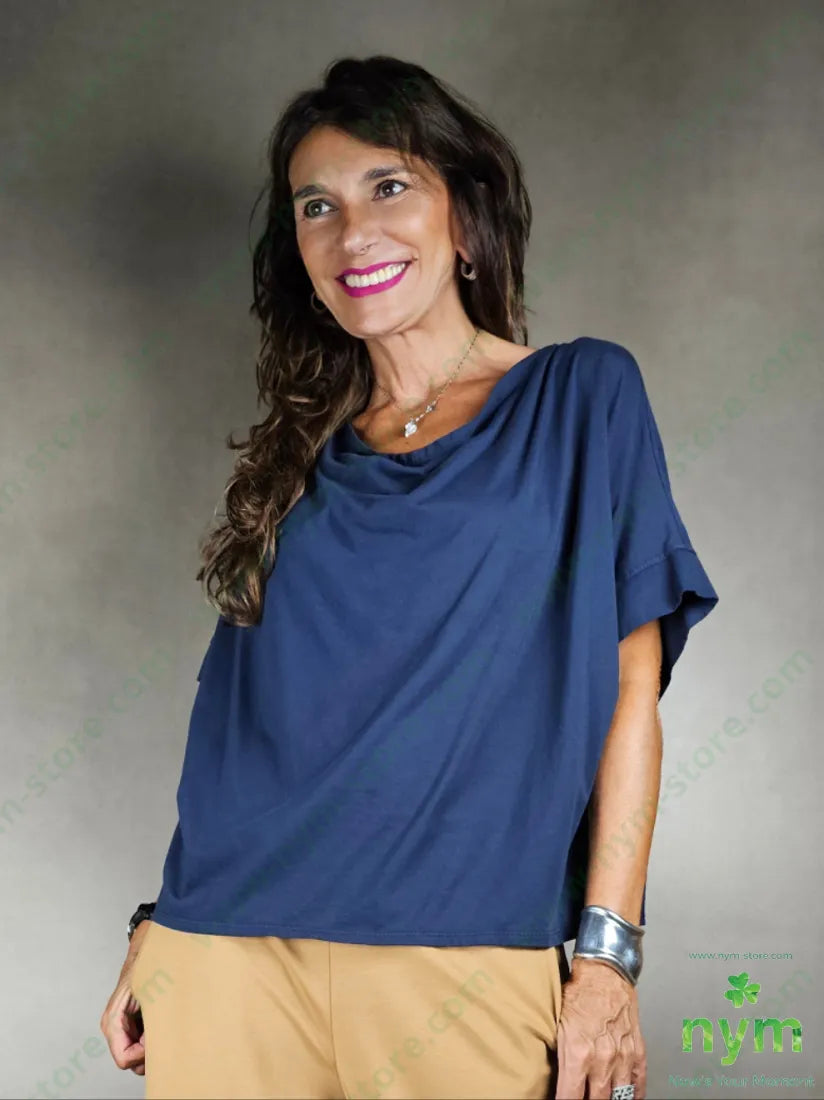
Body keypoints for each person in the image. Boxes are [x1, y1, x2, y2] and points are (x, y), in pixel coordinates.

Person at [99, 54, 718, 1100]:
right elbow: (243, 727)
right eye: (317, 206)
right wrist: (159, 919)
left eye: (387, 186)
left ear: (463, 219)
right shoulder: (300, 456)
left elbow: (628, 696)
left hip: (465, 957)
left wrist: (608, 957)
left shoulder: (581, 397)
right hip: (227, 953)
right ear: (300, 252)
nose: (353, 232)